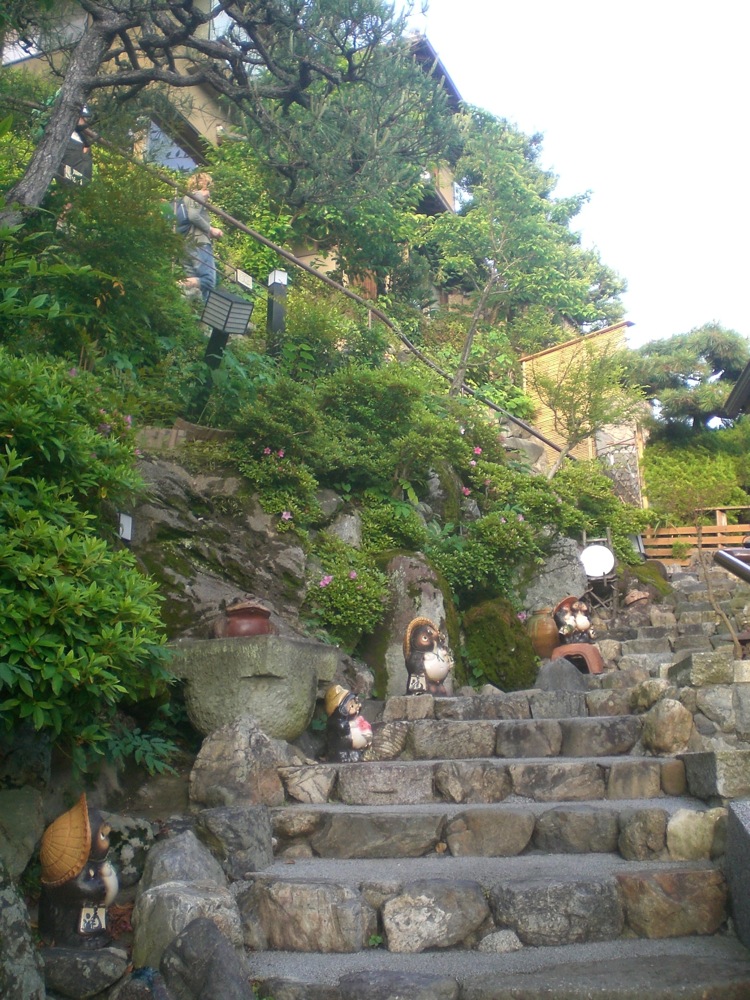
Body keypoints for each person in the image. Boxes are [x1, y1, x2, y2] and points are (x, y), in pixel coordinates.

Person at [180, 172, 223, 300]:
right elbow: (193, 216)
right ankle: (176, 285)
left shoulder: (185, 198)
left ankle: (193, 309)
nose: (209, 194)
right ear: (203, 185)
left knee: (195, 287)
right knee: (208, 280)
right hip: (198, 242)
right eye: (208, 188)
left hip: (185, 243)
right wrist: (211, 230)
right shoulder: (197, 195)